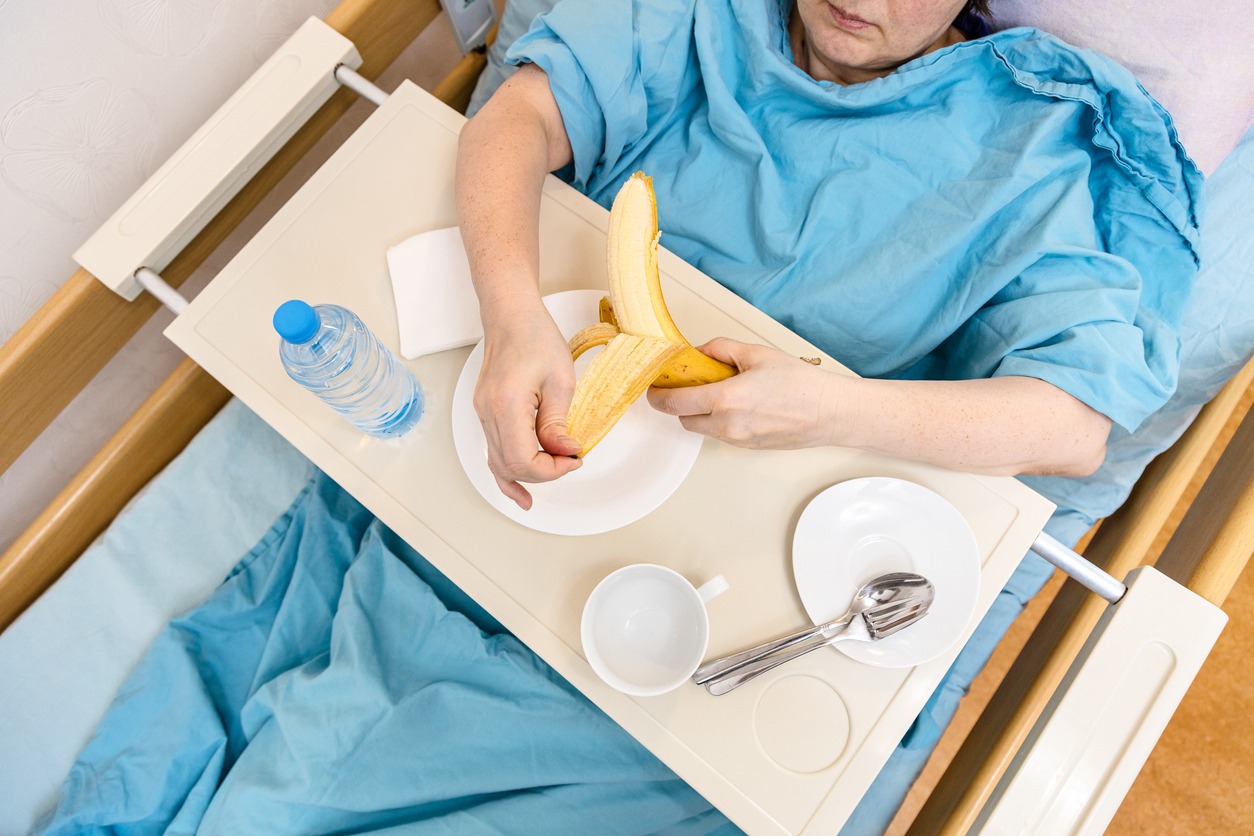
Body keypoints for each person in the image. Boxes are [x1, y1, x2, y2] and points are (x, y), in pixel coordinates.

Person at [455, 0, 1199, 515]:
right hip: (527, 404)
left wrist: (830, 411)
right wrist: (512, 316)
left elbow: (1070, 430)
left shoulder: (1026, 141)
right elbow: (517, 118)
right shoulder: (699, 18)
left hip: (767, 510)